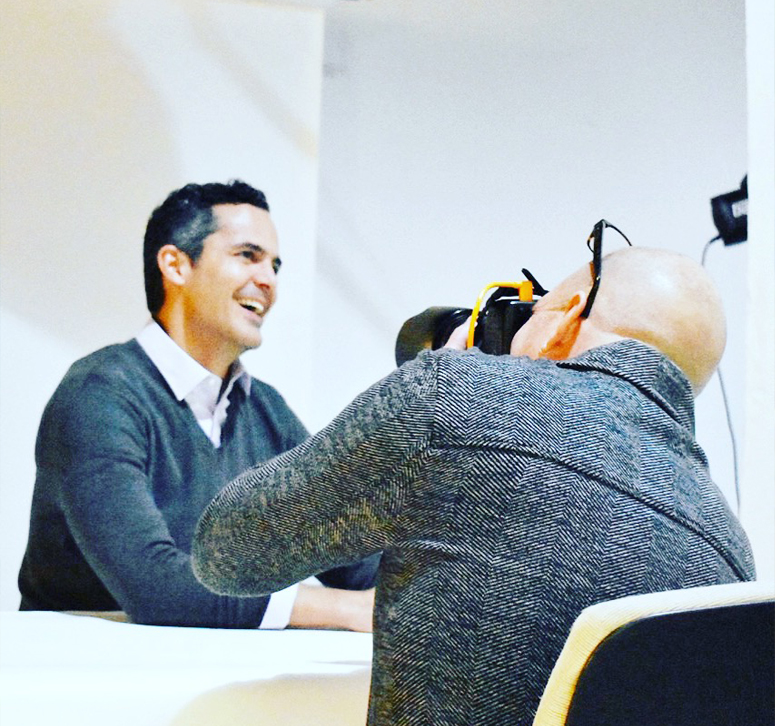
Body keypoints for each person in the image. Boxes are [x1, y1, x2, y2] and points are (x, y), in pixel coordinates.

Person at [192, 244, 755, 724]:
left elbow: (226, 553)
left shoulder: (450, 399)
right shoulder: (731, 557)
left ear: (566, 318)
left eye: (536, 309)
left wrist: (434, 387)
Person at [18, 180, 378, 629]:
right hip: (76, 669)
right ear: (176, 266)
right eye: (247, 255)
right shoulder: (98, 394)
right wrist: (347, 609)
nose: (268, 281)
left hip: (207, 671)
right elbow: (155, 587)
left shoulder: (266, 410)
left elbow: (355, 558)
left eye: (274, 265)